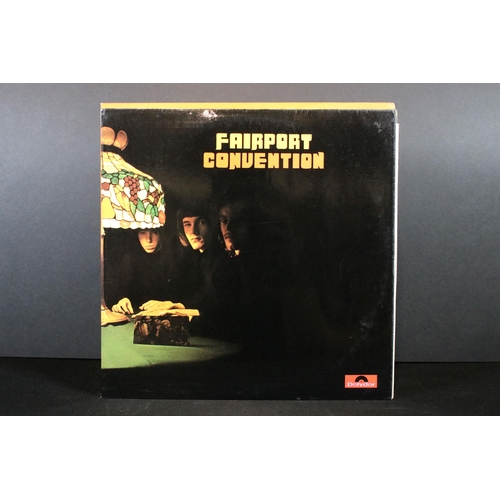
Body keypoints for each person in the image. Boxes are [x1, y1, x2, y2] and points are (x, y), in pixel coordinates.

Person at [109, 228, 176, 315]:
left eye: (154, 232)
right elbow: (123, 289)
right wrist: (122, 299)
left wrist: (172, 304)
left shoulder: (173, 257)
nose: (149, 240)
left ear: (161, 234)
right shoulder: (130, 258)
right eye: (143, 233)